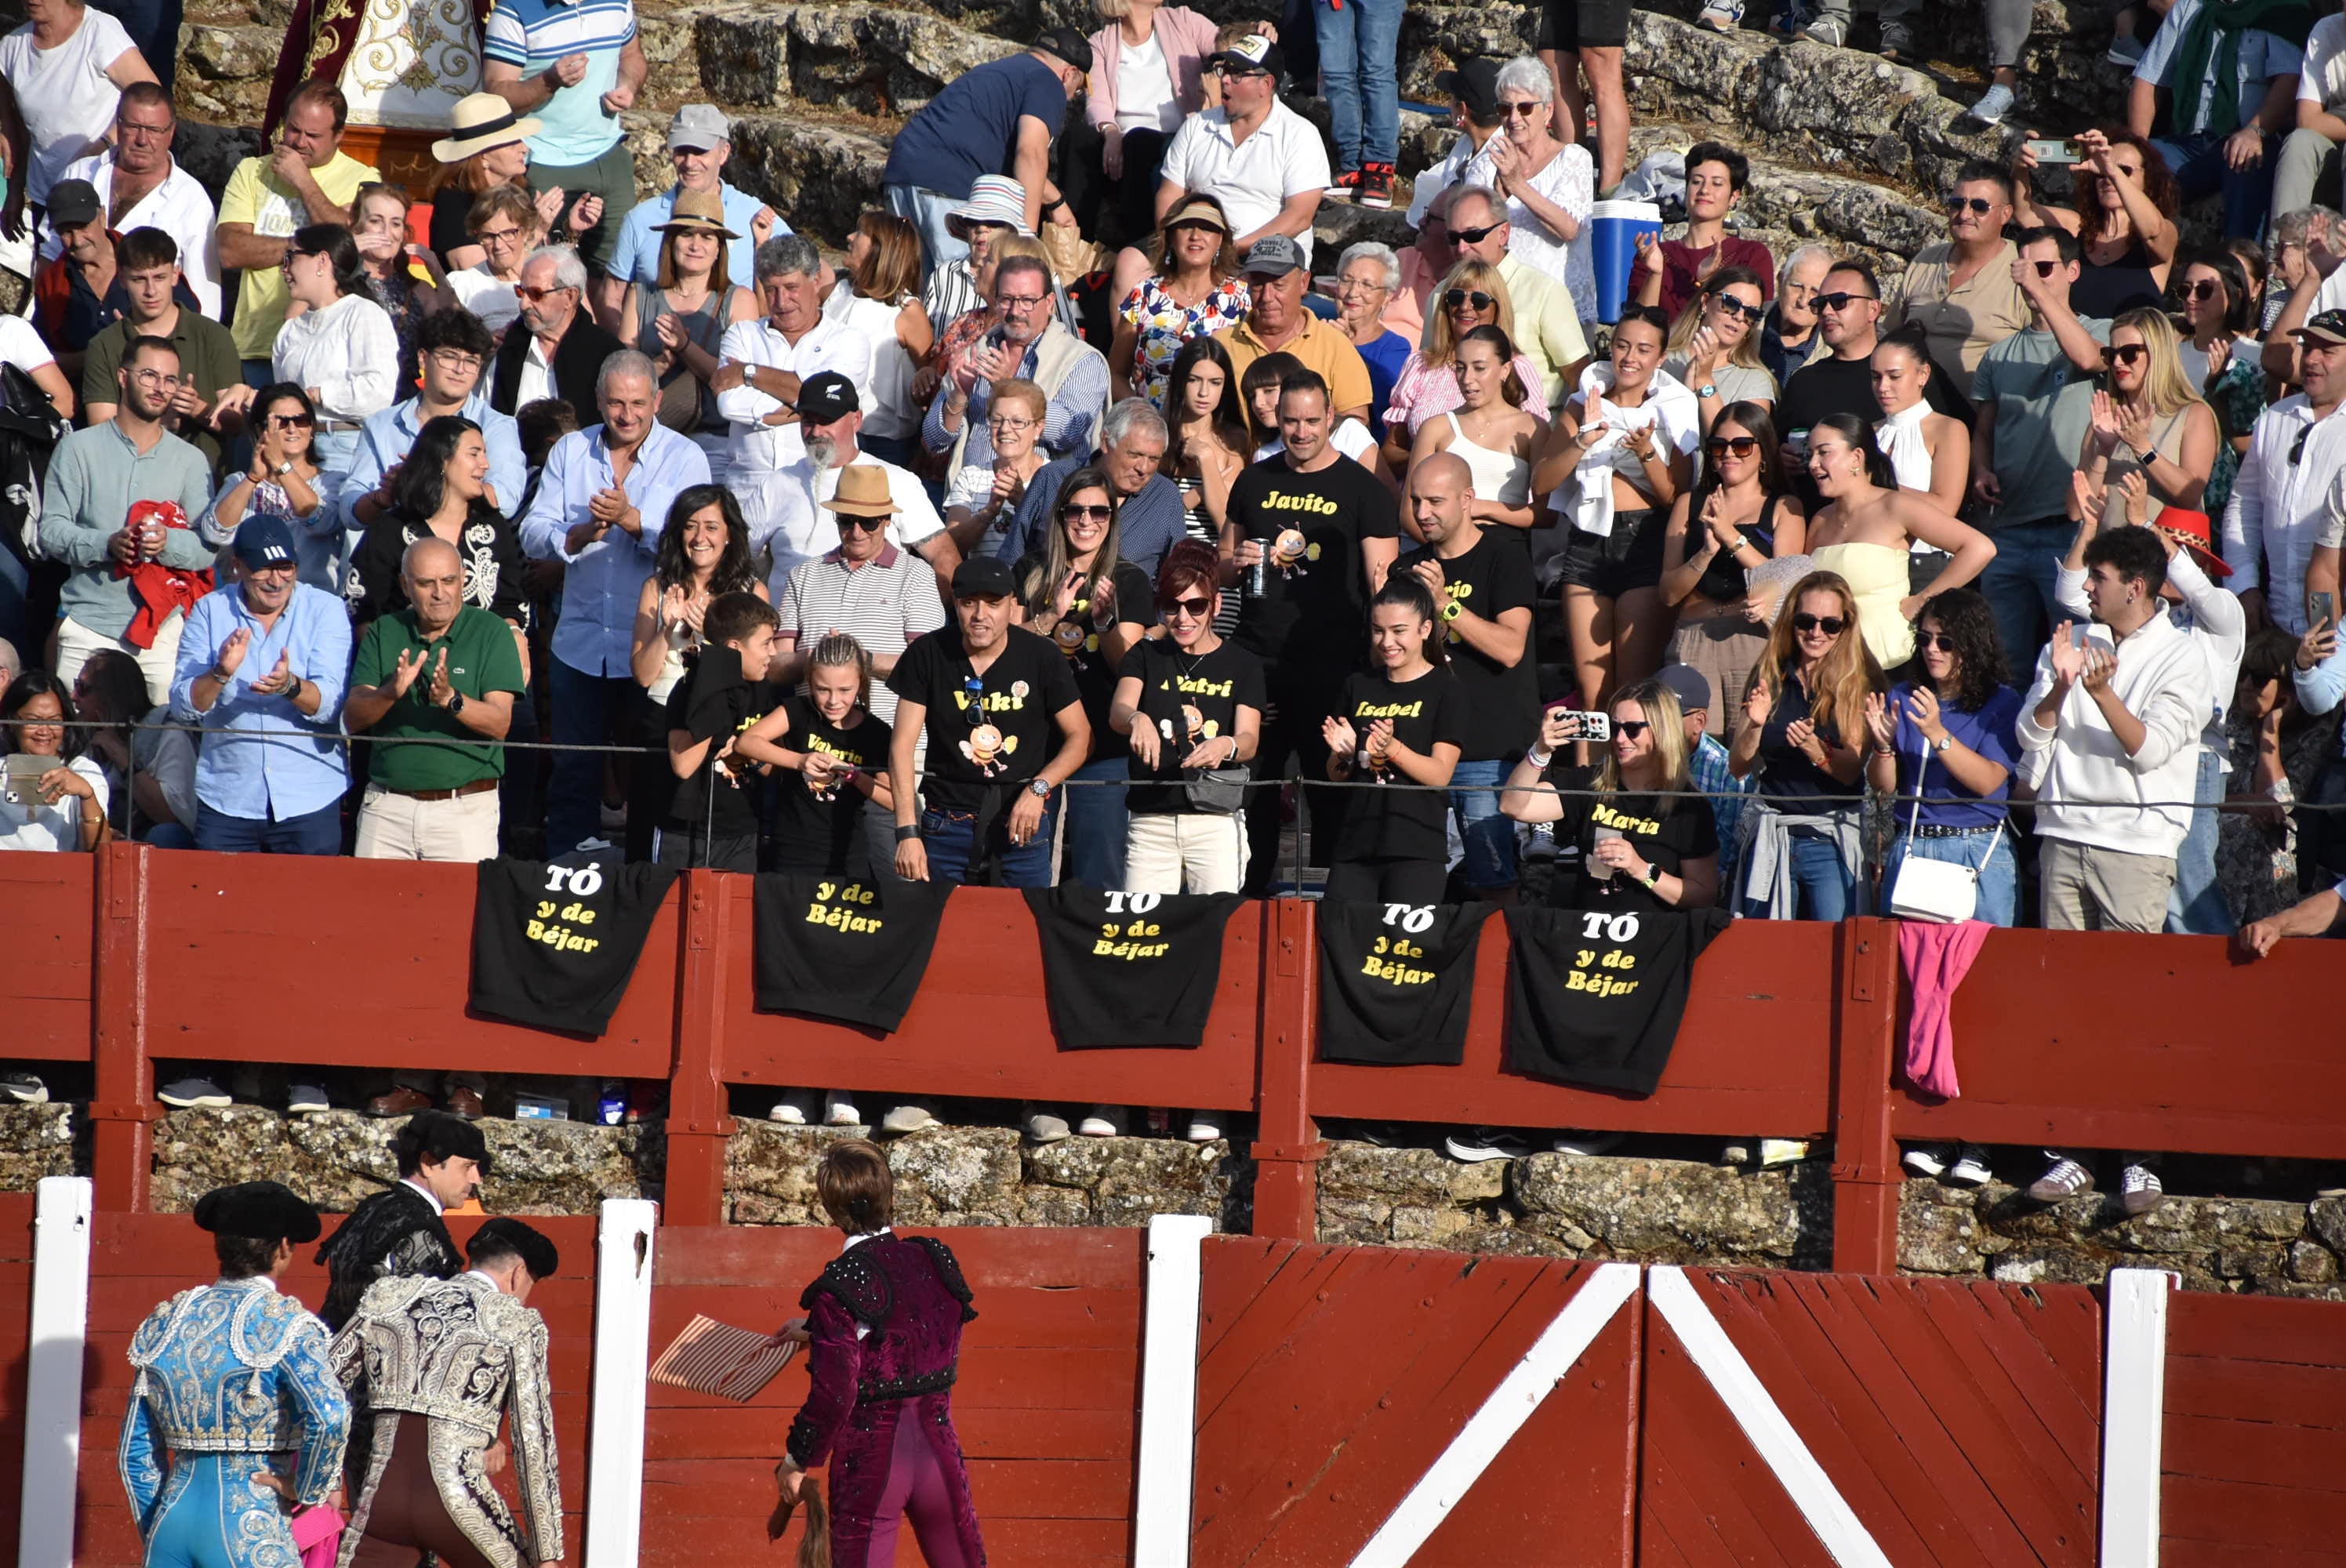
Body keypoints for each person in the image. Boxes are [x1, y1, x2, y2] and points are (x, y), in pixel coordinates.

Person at [2017, 528, 2207, 1211]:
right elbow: (2028, 738)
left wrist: (2098, 695)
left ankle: (2139, 1157)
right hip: (2063, 833)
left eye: (2097, 576)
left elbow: (2151, 751)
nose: (2084, 586)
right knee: (2066, 1007)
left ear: (2137, 584)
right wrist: (2058, 691)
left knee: (2134, 1006)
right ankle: (2070, 1151)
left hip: (2137, 844)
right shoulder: (2067, 643)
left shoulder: (2184, 659)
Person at [523, 352, 714, 856]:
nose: (626, 415)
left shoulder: (686, 457)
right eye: (615, 404)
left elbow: (696, 545)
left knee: (651, 767)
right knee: (573, 767)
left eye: (637, 404)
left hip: (650, 642)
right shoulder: (569, 450)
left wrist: (634, 522)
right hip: (580, 640)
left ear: (656, 401)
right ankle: (567, 872)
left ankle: (640, 875)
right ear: (599, 402)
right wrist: (579, 533)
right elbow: (533, 530)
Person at [1225, 368, 1401, 891]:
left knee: (1332, 786)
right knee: (1254, 786)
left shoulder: (1362, 488)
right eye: (1289, 422)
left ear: (1331, 417)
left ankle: (1336, 903)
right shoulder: (1255, 479)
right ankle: (1248, 896)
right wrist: (1238, 560)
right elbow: (1220, 570)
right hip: (1261, 659)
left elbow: (1382, 585)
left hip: (1333, 660)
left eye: (1310, 421)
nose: (1300, 433)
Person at [772, 1140, 986, 1568]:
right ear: (889, 1196)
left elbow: (836, 1391)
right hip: (938, 1453)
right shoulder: (933, 1259)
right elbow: (915, 1332)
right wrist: (819, 1332)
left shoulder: (839, 1286)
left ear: (832, 1210)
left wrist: (796, 1461)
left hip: (870, 1462)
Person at [119, 1182, 350, 1568]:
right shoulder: (286, 1322)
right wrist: (308, 1489)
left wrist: (158, 1528)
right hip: (250, 1521)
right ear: (282, 1248)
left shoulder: (167, 1322)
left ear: (221, 1248)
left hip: (172, 1519)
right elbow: (331, 1416)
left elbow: (134, 1453)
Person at [2063, 471, 2246, 935]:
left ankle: (2206, 983)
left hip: (2200, 756)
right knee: (2153, 887)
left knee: (2188, 886)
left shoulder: (2224, 614)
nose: (2171, 565)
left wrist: (2146, 527)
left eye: (2180, 556)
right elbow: (2069, 596)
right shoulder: (2129, 616)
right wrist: (2092, 528)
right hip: (2134, 747)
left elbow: (2199, 590)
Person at [329, 1218, 565, 1568]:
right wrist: (547, 1554)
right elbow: (535, 1443)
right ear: (518, 1274)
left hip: (381, 1504)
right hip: (458, 1503)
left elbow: (322, 1386)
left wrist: (327, 1479)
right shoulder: (515, 1322)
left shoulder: (391, 1299)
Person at [772, 466, 947, 877]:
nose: (856, 531)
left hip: (890, 748)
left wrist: (858, 660)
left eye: (868, 521)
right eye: (846, 520)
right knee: (814, 870)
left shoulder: (916, 575)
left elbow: (927, 668)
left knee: (891, 866)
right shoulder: (804, 575)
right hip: (812, 749)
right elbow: (776, 667)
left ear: (888, 521)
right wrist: (822, 659)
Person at [889, 554, 1089, 887]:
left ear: (1012, 606)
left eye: (993, 604)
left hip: (1022, 822)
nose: (980, 616)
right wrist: (907, 832)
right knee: (943, 933)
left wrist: (1038, 789)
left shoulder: (1041, 655)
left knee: (1023, 932)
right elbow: (901, 747)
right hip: (945, 823)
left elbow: (1081, 737)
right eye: (969, 603)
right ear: (955, 604)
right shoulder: (927, 653)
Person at [1534, 303, 1697, 710]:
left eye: (1643, 349)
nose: (1630, 358)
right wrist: (1583, 440)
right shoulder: (1583, 402)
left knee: (1630, 692)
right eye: (1622, 346)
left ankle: (1627, 775)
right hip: (1588, 541)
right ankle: (1588, 774)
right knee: (1592, 696)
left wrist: (1645, 451)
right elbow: (1542, 481)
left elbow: (1673, 496)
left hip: (1644, 539)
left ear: (1660, 358)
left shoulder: (1673, 409)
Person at [38, 332, 212, 702]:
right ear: (122, 376)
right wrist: (107, 543)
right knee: (77, 745)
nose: (160, 388)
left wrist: (168, 541)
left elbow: (207, 548)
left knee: (161, 744)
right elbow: (51, 531)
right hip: (88, 621)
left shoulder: (190, 460)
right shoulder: (77, 448)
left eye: (170, 380)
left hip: (162, 628)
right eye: (149, 375)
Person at [1395, 452, 1537, 901]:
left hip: (1490, 751)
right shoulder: (1408, 567)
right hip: (1420, 754)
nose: (1422, 513)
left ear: (1468, 499)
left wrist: (1444, 604)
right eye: (1416, 500)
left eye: (1435, 501)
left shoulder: (1505, 557)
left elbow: (1511, 648)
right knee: (1420, 886)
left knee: (1494, 883)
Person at [1970, 226, 2115, 666]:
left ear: (2073, 271)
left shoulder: (2102, 330)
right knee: (2006, 665)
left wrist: (2036, 287)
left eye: (2045, 268)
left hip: (2070, 531)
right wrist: (1981, 470)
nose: (2030, 278)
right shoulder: (1998, 355)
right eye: (2025, 268)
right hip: (2008, 529)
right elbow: (1984, 430)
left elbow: (2088, 360)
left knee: (2072, 663)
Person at [169, 516, 350, 854]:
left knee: (308, 906)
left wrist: (291, 687)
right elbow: (182, 707)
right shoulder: (209, 611)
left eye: (285, 567)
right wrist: (220, 674)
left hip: (309, 797)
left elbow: (331, 706)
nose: (276, 579)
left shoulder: (326, 609)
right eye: (263, 568)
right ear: (237, 566)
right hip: (227, 798)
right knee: (219, 905)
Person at [342, 535, 525, 862]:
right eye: (426, 583)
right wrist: (389, 693)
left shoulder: (491, 630)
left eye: (449, 581)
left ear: (464, 580)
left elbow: (500, 723)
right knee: (373, 911)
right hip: (387, 808)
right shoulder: (385, 630)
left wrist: (451, 700)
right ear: (405, 585)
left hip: (464, 811)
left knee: (462, 912)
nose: (440, 593)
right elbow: (353, 718)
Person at [1014, 463, 1151, 888]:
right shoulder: (1030, 570)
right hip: (1037, 741)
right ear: (1060, 516)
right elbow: (1003, 649)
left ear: (1112, 518)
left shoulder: (1128, 579)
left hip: (1104, 742)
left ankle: (1096, 952)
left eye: (1099, 512)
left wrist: (1106, 623)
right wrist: (1050, 615)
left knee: (1101, 870)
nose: (1087, 522)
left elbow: (1129, 669)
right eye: (1076, 511)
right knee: (1028, 863)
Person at [1729, 570, 1883, 920]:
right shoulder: (1770, 672)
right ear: (1790, 620)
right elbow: (1737, 766)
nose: (1816, 633)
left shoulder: (1860, 681)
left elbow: (1850, 772)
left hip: (1830, 839)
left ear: (1846, 626)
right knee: (1766, 954)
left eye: (1830, 624)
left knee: (1833, 950)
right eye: (1806, 621)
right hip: (1772, 834)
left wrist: (1816, 749)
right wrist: (1755, 725)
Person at [1111, 536, 1263, 893]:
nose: (1183, 618)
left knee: (1216, 926)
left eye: (1196, 606)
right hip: (1151, 819)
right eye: (1171, 606)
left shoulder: (1243, 664)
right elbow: (1119, 709)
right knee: (1142, 929)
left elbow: (1249, 739)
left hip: (1216, 819)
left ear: (1216, 605)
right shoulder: (1145, 656)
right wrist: (1137, 719)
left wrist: (1225, 745)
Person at [1864, 585, 2022, 925]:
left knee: (1983, 967)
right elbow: (1885, 788)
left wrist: (1936, 732)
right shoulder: (1904, 695)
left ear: (1972, 644)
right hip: (1913, 844)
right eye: (1924, 639)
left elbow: (1988, 781)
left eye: (1945, 642)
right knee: (1903, 968)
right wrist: (1882, 746)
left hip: (1975, 846)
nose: (1932, 650)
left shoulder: (2002, 702)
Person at [880, 27, 1089, 276]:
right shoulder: (1048, 82)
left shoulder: (996, 71)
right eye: (1076, 92)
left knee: (912, 293)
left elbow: (1002, 151)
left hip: (901, 176)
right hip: (951, 190)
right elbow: (1030, 154)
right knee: (962, 292)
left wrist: (1056, 201)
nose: (1069, 100)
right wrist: (1025, 239)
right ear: (1069, 74)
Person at [1137, 30, 1328, 300]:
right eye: (1224, 70)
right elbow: (1169, 193)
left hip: (1263, 257)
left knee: (1231, 292)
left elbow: (1299, 216)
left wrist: (1231, 248)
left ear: (1266, 84)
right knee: (1128, 265)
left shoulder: (1299, 134)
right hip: (1193, 246)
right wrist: (1175, 241)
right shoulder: (1197, 126)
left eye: (1237, 74)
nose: (1224, 80)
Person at [629, 482, 765, 860]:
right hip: (663, 718)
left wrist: (712, 634)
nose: (699, 537)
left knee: (717, 838)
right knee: (655, 833)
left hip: (723, 721)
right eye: (690, 526)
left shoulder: (751, 591)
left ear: (730, 536)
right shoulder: (657, 587)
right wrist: (666, 629)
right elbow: (642, 674)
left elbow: (756, 669)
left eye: (711, 526)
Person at [1658, 402, 1807, 743]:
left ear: (1763, 452)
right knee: (1687, 749)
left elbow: (1788, 583)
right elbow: (1667, 593)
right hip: (1694, 635)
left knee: (1748, 747)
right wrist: (1706, 552)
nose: (1729, 454)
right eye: (1718, 446)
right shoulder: (1689, 504)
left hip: (1753, 640)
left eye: (1741, 446)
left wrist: (1731, 537)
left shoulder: (1785, 507)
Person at [217, 82, 381, 384]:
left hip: (326, 350)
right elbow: (230, 250)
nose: (299, 142)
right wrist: (307, 248)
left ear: (339, 136)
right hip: (256, 347)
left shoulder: (364, 179)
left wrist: (303, 181)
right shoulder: (252, 170)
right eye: (293, 130)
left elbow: (353, 250)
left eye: (313, 135)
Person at [717, 234, 879, 539]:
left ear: (816, 279)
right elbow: (729, 404)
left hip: (818, 493)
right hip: (744, 493)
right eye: (771, 290)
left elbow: (830, 403)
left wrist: (748, 373)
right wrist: (809, 404)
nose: (780, 301)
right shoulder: (741, 334)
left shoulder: (848, 340)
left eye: (791, 288)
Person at [1803, 413, 1994, 670]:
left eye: (1824, 452)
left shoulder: (1896, 506)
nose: (1813, 464)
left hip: (1890, 662)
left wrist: (1924, 599)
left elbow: (1979, 548)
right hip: (1830, 666)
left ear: (1856, 458)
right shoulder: (1820, 520)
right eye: (1811, 453)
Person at [1321, 574, 1466, 903]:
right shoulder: (1358, 684)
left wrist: (1392, 748)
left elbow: (1440, 775)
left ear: (1425, 629)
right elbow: (1336, 775)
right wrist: (1343, 754)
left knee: (1405, 951)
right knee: (1342, 942)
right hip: (1355, 844)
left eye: (1398, 631)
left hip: (1416, 847)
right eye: (1378, 630)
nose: (1387, 642)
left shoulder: (1446, 689)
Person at [479, 0, 647, 278]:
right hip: (543, 163)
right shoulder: (514, 10)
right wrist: (548, 81)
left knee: (617, 275)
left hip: (609, 156)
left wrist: (628, 86)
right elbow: (496, 95)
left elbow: (632, 55)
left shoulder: (617, 3)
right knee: (545, 274)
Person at [766, 372, 960, 602]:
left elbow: (944, 555)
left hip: (877, 629)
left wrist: (930, 620)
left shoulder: (895, 480)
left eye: (827, 421)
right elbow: (740, 559)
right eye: (808, 421)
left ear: (857, 420)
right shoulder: (774, 485)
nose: (816, 432)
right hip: (791, 630)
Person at [2127, 0, 2308, 241]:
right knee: (2126, 170)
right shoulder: (2189, 7)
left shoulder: (2281, 9)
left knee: (2248, 165)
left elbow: (2289, 79)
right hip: (2187, 143)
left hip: (2248, 138)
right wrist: (2136, 145)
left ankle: (2240, 267)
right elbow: (2149, 79)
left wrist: (2254, 131)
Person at [923, 250, 1109, 482]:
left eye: (1027, 301)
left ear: (1049, 303)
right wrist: (958, 397)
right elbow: (934, 441)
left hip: (1042, 505)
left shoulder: (1081, 360)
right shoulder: (978, 351)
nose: (1015, 312)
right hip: (971, 503)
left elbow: (1069, 432)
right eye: (1006, 300)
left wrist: (1010, 386)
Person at [342, 308, 526, 538]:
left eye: (471, 361)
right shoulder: (382, 425)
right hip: (394, 549)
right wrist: (383, 497)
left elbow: (506, 499)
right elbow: (350, 511)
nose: (460, 370)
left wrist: (421, 482)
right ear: (423, 358)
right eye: (449, 356)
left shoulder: (496, 425)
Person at [347, 415, 532, 636]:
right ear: (442, 460)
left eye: (484, 453)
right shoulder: (391, 530)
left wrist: (514, 633)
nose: (485, 465)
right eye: (474, 454)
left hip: (484, 659)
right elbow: (364, 611)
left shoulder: (494, 527)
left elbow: (512, 601)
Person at [45, 81, 218, 317]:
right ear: (118, 124)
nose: (142, 139)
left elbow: (203, 298)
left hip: (148, 341)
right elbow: (49, 253)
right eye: (134, 127)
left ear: (171, 132)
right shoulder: (78, 174)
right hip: (71, 323)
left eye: (154, 130)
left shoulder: (192, 199)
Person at [600, 103, 779, 326]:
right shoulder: (639, 219)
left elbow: (803, 282)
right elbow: (612, 296)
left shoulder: (757, 217)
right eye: (681, 151)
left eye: (700, 151)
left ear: (724, 153)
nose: (690, 163)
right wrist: (634, 351)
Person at [79, 225, 239, 475]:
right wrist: (161, 420)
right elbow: (100, 430)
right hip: (129, 481)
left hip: (206, 484)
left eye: (160, 277)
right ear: (121, 279)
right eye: (139, 279)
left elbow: (238, 423)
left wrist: (198, 409)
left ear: (176, 275)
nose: (151, 291)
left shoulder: (212, 335)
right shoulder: (105, 345)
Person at [620, 189, 756, 483]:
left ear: (720, 248)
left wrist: (685, 347)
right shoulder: (639, 295)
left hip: (715, 441)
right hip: (649, 441)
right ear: (671, 242)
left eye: (707, 237)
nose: (696, 245)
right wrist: (656, 367)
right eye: (687, 235)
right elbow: (619, 376)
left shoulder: (740, 300)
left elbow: (738, 381)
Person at [2228, 308, 2346, 641]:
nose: (2311, 359)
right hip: (2275, 620)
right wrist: (2244, 584)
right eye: (2307, 348)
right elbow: (2245, 504)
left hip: (2339, 634)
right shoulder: (2275, 418)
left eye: (2328, 350)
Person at [743, 630, 896, 882]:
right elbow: (748, 741)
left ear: (861, 683)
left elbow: (895, 800)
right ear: (810, 682)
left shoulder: (876, 732)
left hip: (848, 855)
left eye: (845, 690)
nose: (834, 701)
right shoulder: (799, 710)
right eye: (822, 690)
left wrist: (852, 774)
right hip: (792, 850)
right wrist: (800, 760)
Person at [1073, 0, 1222, 245]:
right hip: (1123, 143)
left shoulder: (1182, 20)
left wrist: (1256, 32)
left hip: (1178, 136)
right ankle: (1076, 240)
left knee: (1140, 142)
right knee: (1078, 139)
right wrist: (1110, 132)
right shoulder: (1100, 43)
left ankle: (1139, 243)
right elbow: (1097, 101)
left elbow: (1224, 45)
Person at [1462, 56, 1597, 324]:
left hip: (1560, 309)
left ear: (1547, 111)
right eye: (1505, 108)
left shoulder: (1573, 158)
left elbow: (1569, 228)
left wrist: (1516, 186)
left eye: (1525, 108)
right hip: (1499, 306)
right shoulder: (1486, 162)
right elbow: (1471, 233)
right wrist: (1498, 196)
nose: (1514, 118)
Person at [316, 1110, 483, 1322]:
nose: (476, 1178)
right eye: (468, 1166)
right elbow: (428, 1323)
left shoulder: (373, 1206)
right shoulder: (419, 1228)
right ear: (428, 1163)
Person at [656, 589, 781, 870]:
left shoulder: (763, 689)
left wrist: (745, 747)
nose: (773, 652)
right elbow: (684, 765)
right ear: (735, 648)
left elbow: (776, 769)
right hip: (686, 833)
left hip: (742, 829)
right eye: (766, 644)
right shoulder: (690, 689)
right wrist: (714, 683)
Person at [1885, 160, 2028, 397]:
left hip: (1986, 421)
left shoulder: (2022, 268)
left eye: (1980, 206)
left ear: (2006, 214)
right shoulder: (1924, 262)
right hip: (1916, 417)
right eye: (1957, 203)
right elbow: (1892, 336)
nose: (1964, 214)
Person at [270, 222, 398, 488]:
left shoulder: (363, 313)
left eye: (290, 257)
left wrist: (318, 395)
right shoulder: (289, 330)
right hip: (294, 449)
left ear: (322, 260)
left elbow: (378, 393)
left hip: (346, 448)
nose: (284, 269)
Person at [1382, 263, 1549, 467]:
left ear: (1498, 308)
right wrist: (1433, 461)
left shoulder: (1517, 367)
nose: (1465, 307)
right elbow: (1391, 450)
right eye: (1456, 297)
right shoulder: (1421, 365)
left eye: (1479, 300)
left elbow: (1536, 448)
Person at [0, 0, 154, 211]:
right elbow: (15, 128)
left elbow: (151, 99)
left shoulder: (99, 31)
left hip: (100, 194)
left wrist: (106, 144)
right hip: (46, 195)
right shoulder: (11, 47)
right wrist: (14, 191)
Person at [2079, 307, 2219, 532]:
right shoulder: (2105, 420)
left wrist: (2143, 448)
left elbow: (2191, 494)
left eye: (2129, 353)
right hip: (2107, 558)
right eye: (2110, 354)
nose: (2117, 363)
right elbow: (2076, 510)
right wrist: (2102, 453)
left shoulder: (2193, 414)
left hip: (2166, 558)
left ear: (2158, 353)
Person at [1214, 234, 1373, 430]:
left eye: (1279, 285)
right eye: (1257, 285)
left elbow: (1356, 425)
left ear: (1304, 282)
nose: (1267, 297)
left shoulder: (1334, 345)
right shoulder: (1221, 345)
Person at [2014, 128, 2178, 318]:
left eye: (2124, 170)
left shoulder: (2164, 231)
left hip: (2132, 346)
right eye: (2100, 171)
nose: (2107, 178)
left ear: (2148, 181)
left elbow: (2153, 231)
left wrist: (2113, 171)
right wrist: (2020, 169)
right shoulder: (2077, 227)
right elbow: (2025, 213)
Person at [1109, 194, 1250, 407]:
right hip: (1152, 429)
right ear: (1171, 236)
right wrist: (1140, 411)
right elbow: (1115, 372)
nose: (1196, 235)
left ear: (1220, 239)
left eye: (1206, 227)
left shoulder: (1241, 299)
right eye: (1186, 226)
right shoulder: (1144, 294)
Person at [822, 210, 932, 470]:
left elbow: (928, 376)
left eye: (860, 233)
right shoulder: (838, 292)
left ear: (879, 249)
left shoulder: (906, 311)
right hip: (833, 425)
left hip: (883, 442)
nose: (849, 237)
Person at [202, 383, 340, 590]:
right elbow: (214, 533)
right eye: (281, 422)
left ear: (311, 428)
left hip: (311, 602)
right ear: (260, 429)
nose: (292, 429)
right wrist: (253, 478)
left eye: (301, 420)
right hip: (247, 601)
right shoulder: (239, 481)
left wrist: (280, 465)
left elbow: (321, 523)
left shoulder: (331, 483)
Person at [1407, 325, 1541, 537]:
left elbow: (1546, 514)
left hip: (1507, 551)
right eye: (1460, 367)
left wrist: (1482, 507)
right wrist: (1451, 554)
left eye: (1479, 368)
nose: (1467, 379)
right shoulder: (1435, 427)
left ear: (1505, 370)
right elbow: (1408, 512)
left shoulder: (1533, 428)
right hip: (1441, 553)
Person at [1775, 258, 1893, 484]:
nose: (1827, 311)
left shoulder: (1903, 374)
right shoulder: (1804, 381)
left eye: (1840, 301)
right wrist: (1782, 458)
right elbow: (1777, 449)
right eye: (1821, 303)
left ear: (1873, 309)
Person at [1631, 142, 1777, 324]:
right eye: (1697, 181)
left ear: (1733, 197)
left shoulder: (1751, 255)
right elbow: (1639, 328)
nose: (1705, 190)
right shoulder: (1656, 254)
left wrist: (1706, 282)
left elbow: (1752, 323)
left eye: (1717, 184)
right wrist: (1654, 273)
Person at [1161, 336, 1249, 619]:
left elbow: (1226, 522)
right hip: (1164, 570)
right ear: (1179, 381)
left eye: (1215, 383)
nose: (1203, 392)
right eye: (1194, 380)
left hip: (1215, 577)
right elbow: (1154, 516)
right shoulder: (1158, 436)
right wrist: (1198, 494)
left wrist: (1207, 459)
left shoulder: (1234, 442)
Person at [2176, 249, 2266, 521]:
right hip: (2175, 489)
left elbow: (2251, 445)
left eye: (2204, 290)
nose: (2191, 299)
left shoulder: (2256, 357)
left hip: (2232, 502)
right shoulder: (2170, 356)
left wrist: (2215, 391)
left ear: (2234, 294)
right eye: (2185, 289)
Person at [71, 648, 194, 847]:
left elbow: (169, 816)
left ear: (112, 695)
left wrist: (121, 756)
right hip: (100, 831)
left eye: (83, 688)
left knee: (168, 834)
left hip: (150, 838)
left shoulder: (165, 732)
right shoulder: (81, 733)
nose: (74, 696)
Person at [425, 89, 556, 272]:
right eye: (512, 143)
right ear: (483, 156)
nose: (524, 149)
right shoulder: (454, 201)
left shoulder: (517, 192)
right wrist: (537, 233)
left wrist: (572, 234)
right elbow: (479, 275)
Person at [490, 244, 624, 416]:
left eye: (536, 294)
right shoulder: (510, 350)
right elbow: (491, 421)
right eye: (520, 291)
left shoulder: (606, 354)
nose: (523, 304)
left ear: (570, 296)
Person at [1868, 325, 1972, 545]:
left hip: (1924, 560)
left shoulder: (1948, 429)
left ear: (1923, 374)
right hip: (1872, 556)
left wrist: (1877, 484)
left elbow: (1946, 507)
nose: (1883, 387)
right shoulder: (1869, 431)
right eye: (1876, 377)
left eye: (1894, 376)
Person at [1661, 266, 1778, 438]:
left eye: (1751, 313)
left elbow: (1731, 446)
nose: (1739, 317)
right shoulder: (1662, 358)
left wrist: (1704, 379)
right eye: (1731, 303)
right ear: (1705, 302)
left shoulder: (1755, 381)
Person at [0, 669, 106, 851]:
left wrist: (86, 794)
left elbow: (100, 852)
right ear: (11, 721)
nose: (44, 731)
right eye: (33, 721)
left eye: (55, 721)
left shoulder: (84, 771)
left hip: (64, 877)